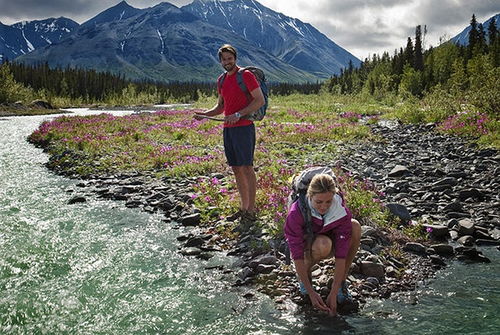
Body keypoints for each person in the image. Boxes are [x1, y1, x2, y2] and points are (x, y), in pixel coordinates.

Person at [194, 44, 265, 228]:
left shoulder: (246, 76)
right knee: (236, 169)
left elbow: (259, 100)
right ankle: (244, 207)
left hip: (244, 128)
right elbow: (220, 107)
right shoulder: (221, 80)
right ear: (220, 61)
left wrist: (239, 114)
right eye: (224, 59)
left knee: (247, 167)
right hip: (228, 129)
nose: (227, 62)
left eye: (230, 58)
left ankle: (251, 210)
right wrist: (204, 115)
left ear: (235, 58)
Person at [284, 173, 361, 316]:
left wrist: (333, 290)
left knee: (354, 226)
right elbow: (297, 255)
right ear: (310, 196)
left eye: (328, 201)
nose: (324, 206)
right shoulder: (296, 213)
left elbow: (341, 254)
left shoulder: (340, 211)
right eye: (319, 202)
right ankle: (304, 281)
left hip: (328, 234)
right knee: (323, 244)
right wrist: (312, 294)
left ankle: (341, 285)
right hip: (311, 243)